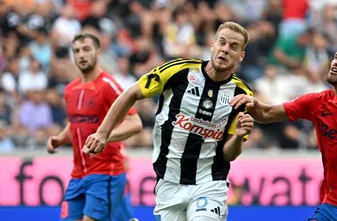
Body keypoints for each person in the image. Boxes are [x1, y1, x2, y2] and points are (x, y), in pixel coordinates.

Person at [83, 21, 255, 221]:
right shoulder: (179, 71)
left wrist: (239, 137)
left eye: (233, 47)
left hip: (210, 182)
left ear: (241, 56)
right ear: (212, 44)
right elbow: (131, 93)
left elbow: (229, 154)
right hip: (169, 180)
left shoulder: (242, 95)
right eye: (222, 43)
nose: (225, 50)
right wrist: (103, 133)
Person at [231, 40, 337, 221]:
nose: (336, 62)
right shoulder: (317, 102)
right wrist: (250, 101)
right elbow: (266, 114)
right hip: (331, 206)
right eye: (336, 57)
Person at [47, 33, 143, 221]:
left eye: (86, 49)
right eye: (76, 51)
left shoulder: (108, 85)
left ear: (98, 53)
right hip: (78, 174)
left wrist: (104, 137)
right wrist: (60, 138)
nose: (81, 55)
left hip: (105, 171)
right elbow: (75, 123)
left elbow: (135, 123)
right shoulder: (69, 90)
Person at [113, 146, 139, 221]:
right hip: (114, 185)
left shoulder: (119, 148)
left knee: (125, 213)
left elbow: (127, 167)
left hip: (118, 186)